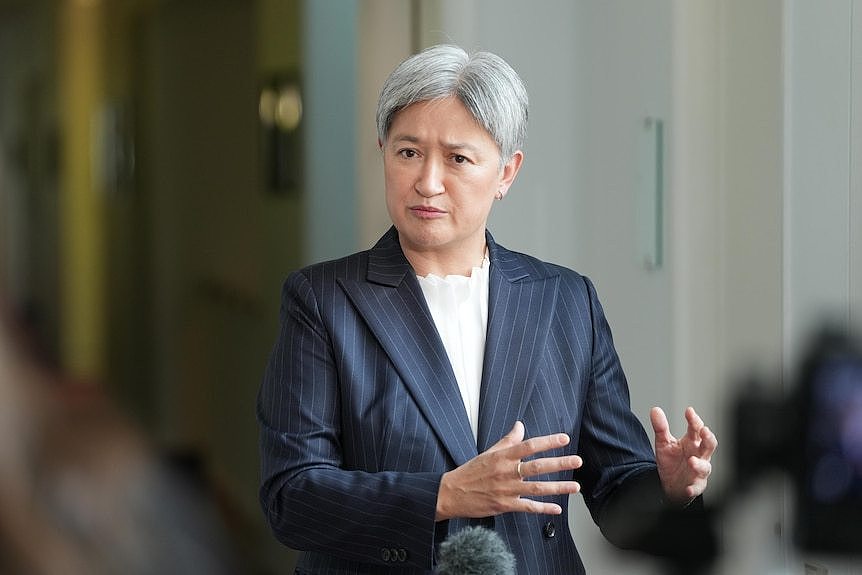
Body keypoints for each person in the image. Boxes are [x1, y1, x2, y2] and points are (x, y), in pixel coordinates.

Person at [257, 44, 718, 574]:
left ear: (506, 173)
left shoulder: (566, 301)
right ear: (382, 150)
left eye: (458, 158)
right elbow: (290, 497)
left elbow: (617, 496)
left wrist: (670, 490)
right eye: (408, 152)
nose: (428, 182)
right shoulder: (323, 300)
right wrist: (444, 495)